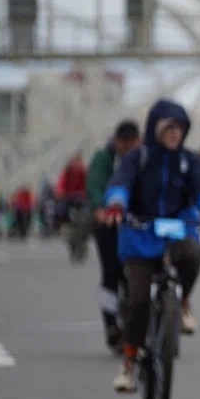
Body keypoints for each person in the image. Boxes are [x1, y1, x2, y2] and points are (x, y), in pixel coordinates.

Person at [101, 99, 200, 393]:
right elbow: (120, 182)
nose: (175, 135)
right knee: (138, 299)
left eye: (180, 129)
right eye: (169, 128)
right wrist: (116, 205)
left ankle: (182, 302)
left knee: (194, 253)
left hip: (176, 229)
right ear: (156, 129)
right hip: (139, 233)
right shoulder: (138, 158)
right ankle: (129, 362)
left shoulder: (189, 160)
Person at [88, 119, 142, 350]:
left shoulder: (144, 159)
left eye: (134, 144)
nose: (130, 148)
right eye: (126, 144)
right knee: (111, 274)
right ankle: (111, 324)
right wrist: (101, 208)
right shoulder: (103, 159)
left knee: (138, 274)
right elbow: (95, 185)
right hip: (109, 223)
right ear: (117, 142)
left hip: (135, 222)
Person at [55, 151, 88, 226]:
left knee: (86, 207)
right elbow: (61, 185)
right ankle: (64, 224)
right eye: (76, 161)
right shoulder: (67, 172)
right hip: (68, 196)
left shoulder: (84, 172)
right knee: (61, 208)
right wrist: (60, 192)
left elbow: (88, 184)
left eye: (79, 161)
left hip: (80, 196)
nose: (77, 164)